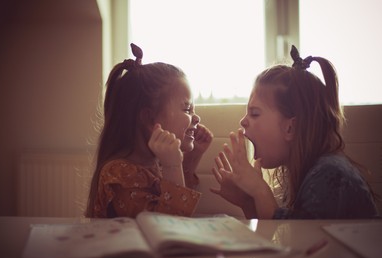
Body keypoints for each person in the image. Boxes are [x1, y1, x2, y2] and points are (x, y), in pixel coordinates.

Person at [211, 45, 378, 219]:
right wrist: (248, 202)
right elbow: (274, 239)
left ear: (291, 128)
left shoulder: (329, 176)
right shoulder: (303, 174)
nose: (243, 121)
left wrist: (260, 190)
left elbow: (295, 239)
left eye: (254, 113)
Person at [86, 43, 213, 218]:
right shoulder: (119, 174)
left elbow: (183, 197)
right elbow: (170, 228)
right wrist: (172, 165)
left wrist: (193, 156)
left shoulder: (155, 163)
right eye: (186, 109)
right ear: (150, 118)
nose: (196, 118)